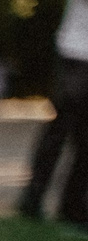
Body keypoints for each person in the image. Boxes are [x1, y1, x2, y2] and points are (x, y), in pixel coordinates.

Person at [18, 0, 88, 229]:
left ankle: (72, 207)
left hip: (77, 51)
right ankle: (34, 198)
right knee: (61, 128)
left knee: (83, 136)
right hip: (77, 52)